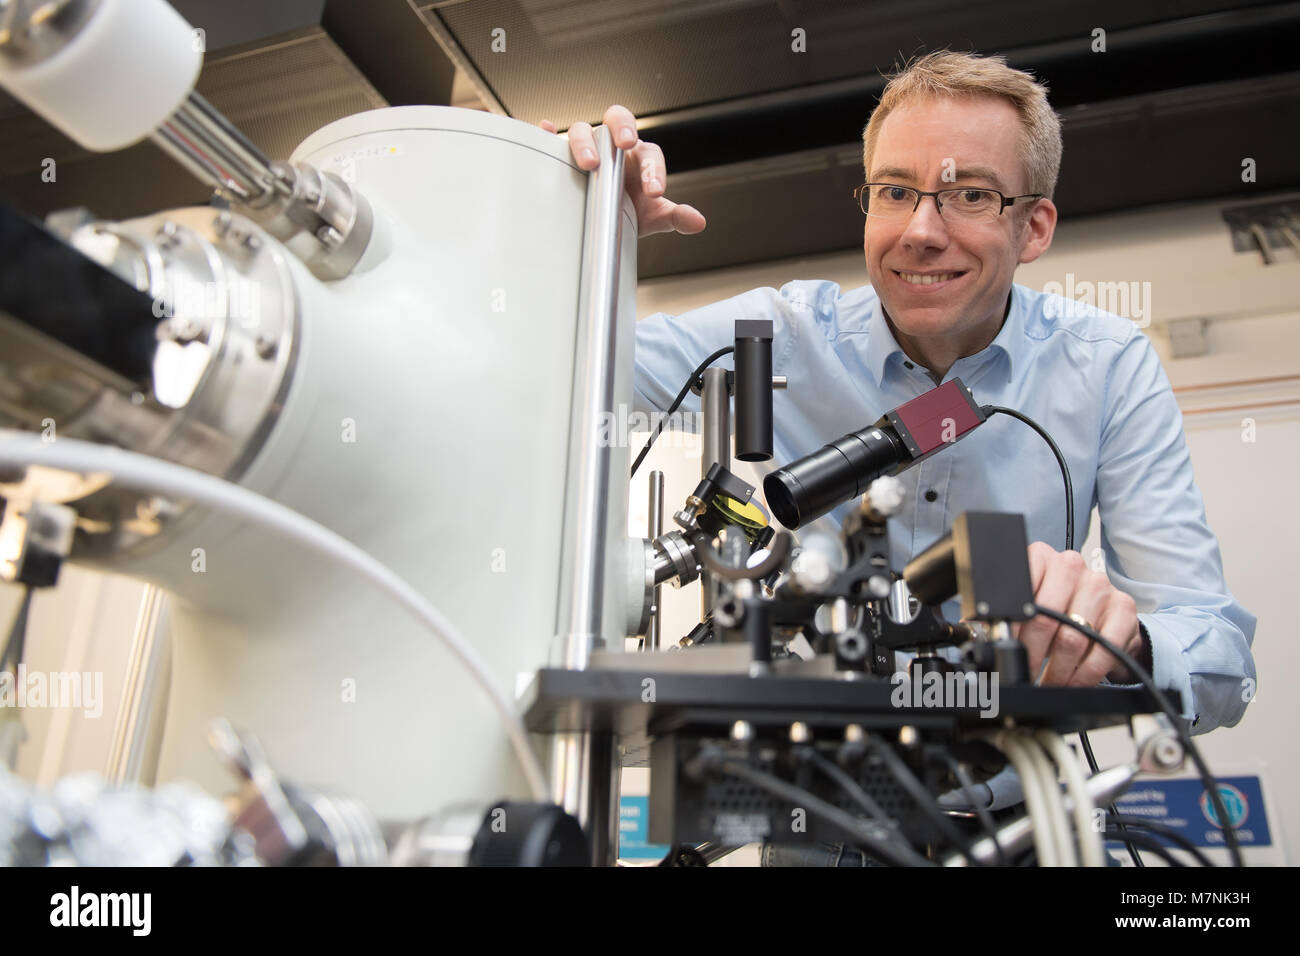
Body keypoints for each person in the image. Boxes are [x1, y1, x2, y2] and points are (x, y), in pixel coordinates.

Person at [542, 50, 1256, 862]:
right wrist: (572, 223)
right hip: (822, 820)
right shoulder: (780, 332)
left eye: (970, 195)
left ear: (1034, 228)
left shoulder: (1105, 363)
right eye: (895, 192)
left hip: (1025, 821)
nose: (921, 230)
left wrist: (1115, 640)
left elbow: (1219, 652)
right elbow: (554, 376)